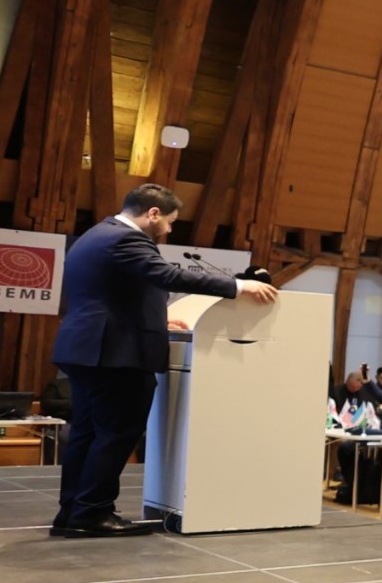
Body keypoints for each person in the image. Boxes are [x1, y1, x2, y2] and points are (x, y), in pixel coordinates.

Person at [50, 184, 278, 537]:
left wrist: (158, 319)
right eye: (170, 222)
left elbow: (114, 294)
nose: (169, 230)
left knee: (87, 432)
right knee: (115, 433)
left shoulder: (96, 235)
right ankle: (92, 512)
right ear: (153, 213)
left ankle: (72, 511)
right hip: (115, 354)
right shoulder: (126, 238)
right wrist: (238, 286)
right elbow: (168, 275)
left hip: (88, 349)